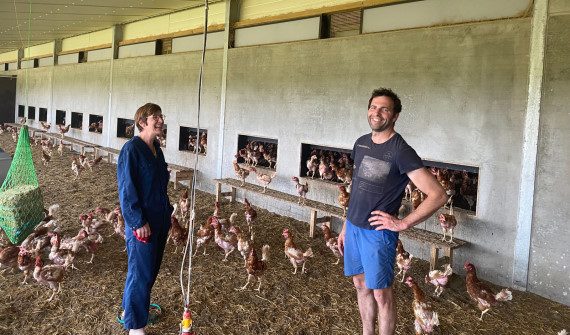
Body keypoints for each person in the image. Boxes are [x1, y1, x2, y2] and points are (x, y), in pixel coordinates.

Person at [337, 88, 448, 335]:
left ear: (395, 116)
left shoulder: (401, 151)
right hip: (354, 228)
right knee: (360, 284)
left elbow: (438, 194)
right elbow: (357, 187)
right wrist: (346, 224)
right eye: (374, 107)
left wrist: (403, 223)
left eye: (385, 109)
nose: (377, 113)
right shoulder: (361, 143)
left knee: (382, 294)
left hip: (377, 234)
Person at [117, 103, 173, 335]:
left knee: (149, 271)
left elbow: (159, 185)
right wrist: (137, 222)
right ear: (142, 121)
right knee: (140, 273)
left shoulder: (156, 149)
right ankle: (135, 327)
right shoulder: (131, 149)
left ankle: (131, 310)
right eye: (155, 116)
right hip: (143, 224)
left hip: (159, 220)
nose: (160, 120)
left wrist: (168, 212)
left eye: (161, 116)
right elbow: (127, 190)